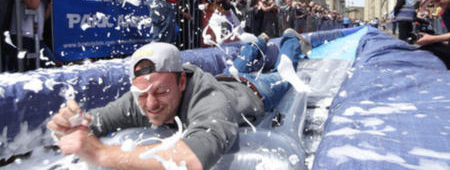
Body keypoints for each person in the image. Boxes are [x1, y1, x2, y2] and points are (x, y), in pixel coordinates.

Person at [46, 29, 307, 169]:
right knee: (236, 66)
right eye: (142, 94)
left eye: (161, 92)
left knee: (283, 72)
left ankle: (289, 39)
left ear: (182, 82)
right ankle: (257, 44)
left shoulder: (210, 102)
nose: (151, 105)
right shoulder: (142, 95)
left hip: (253, 90)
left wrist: (100, 153)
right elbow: (96, 120)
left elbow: (191, 160)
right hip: (223, 79)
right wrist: (72, 124)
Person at [415, 0, 450, 69]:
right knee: (426, 48)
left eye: (438, 0)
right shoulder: (446, 13)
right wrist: (432, 39)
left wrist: (434, 38)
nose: (437, 5)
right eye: (434, 2)